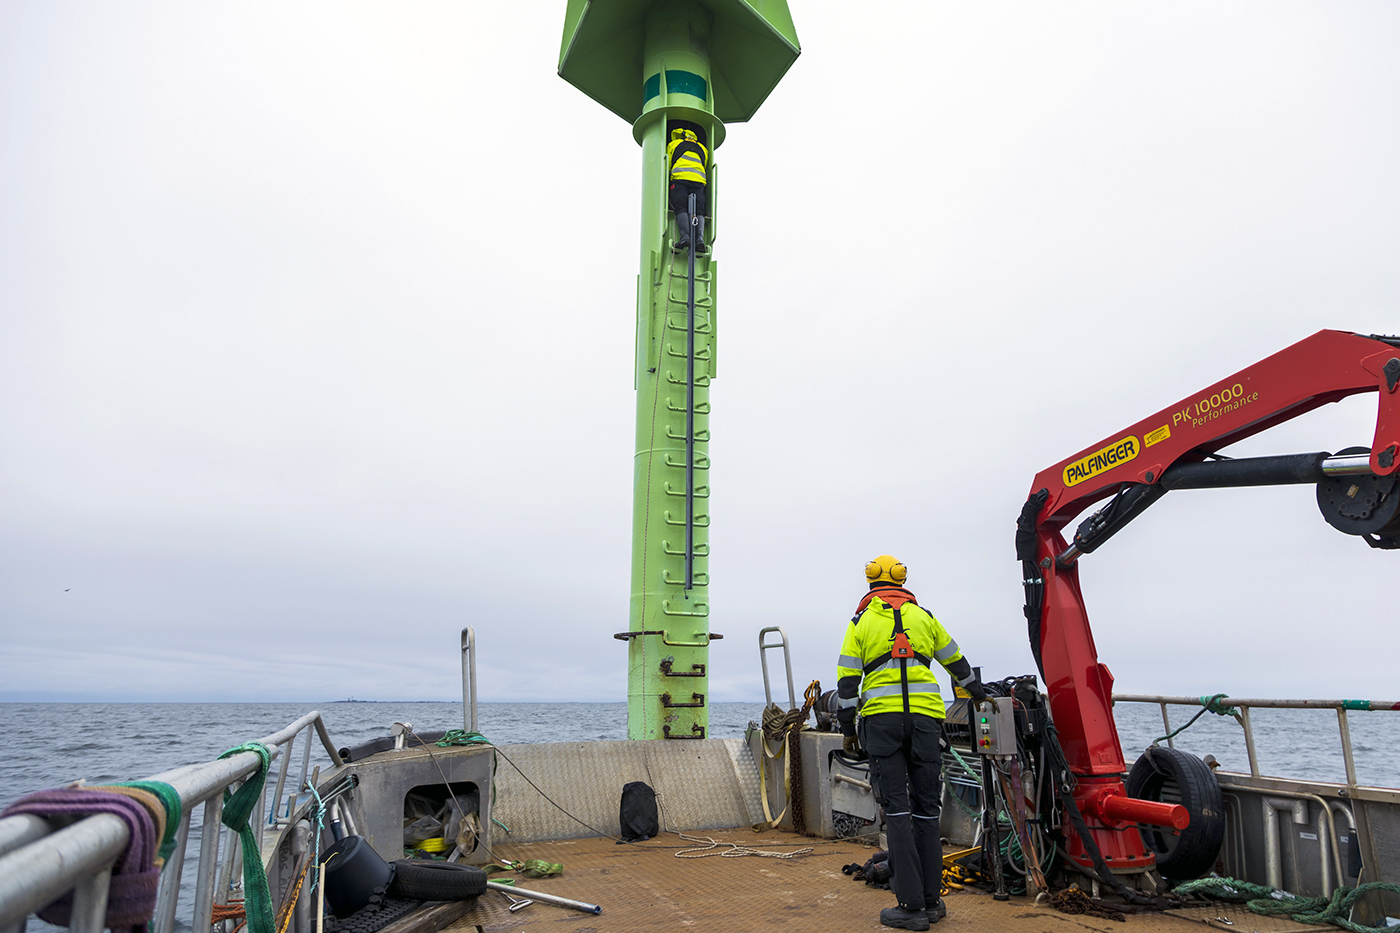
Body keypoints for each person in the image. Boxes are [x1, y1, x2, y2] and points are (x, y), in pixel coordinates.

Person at [836, 555, 987, 931]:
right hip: (925, 721)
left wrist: (848, 729)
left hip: (882, 724)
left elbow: (847, 684)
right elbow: (958, 664)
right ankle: (933, 902)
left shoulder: (861, 622)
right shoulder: (926, 618)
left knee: (898, 814)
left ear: (871, 584)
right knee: (926, 813)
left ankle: (910, 907)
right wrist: (979, 694)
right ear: (903, 583)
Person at [666, 127, 708, 252]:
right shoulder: (703, 149)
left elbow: (667, 165)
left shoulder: (674, 144)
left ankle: (685, 237)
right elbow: (704, 164)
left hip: (680, 179)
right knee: (699, 210)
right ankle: (699, 239)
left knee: (681, 207)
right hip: (699, 181)